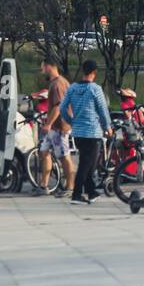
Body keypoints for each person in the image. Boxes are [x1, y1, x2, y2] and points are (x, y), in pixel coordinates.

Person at [59, 60, 112, 205]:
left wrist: (71, 121)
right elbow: (102, 109)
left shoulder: (72, 88)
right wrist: (108, 126)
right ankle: (76, 194)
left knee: (88, 163)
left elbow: (62, 107)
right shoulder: (95, 89)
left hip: (78, 132)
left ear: (83, 71)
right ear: (94, 72)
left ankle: (92, 192)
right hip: (93, 132)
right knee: (86, 164)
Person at [36, 59, 74, 196]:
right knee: (44, 152)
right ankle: (43, 185)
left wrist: (48, 123)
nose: (42, 70)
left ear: (48, 66)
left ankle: (70, 187)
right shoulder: (57, 82)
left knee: (64, 156)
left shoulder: (58, 84)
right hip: (53, 128)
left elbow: (58, 106)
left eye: (42, 67)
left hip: (59, 127)